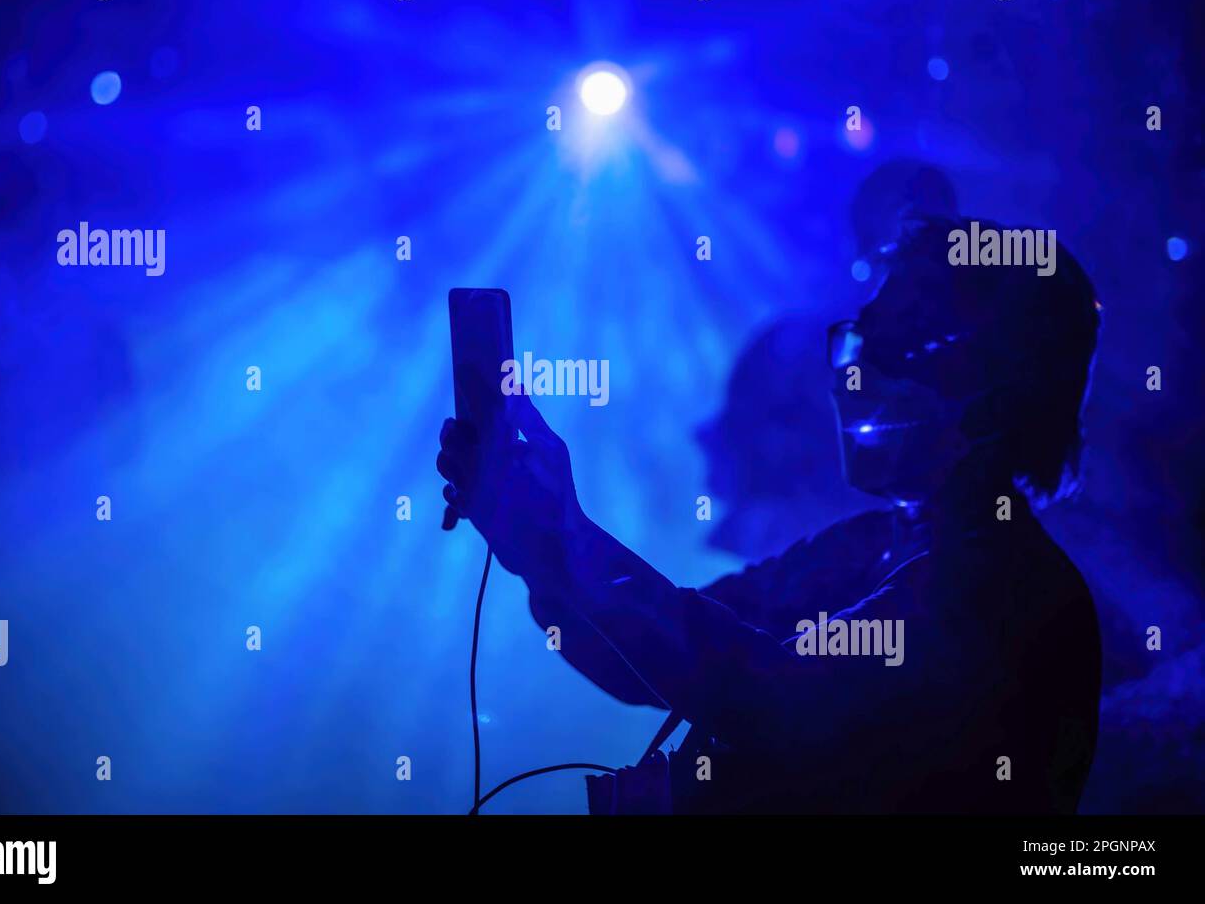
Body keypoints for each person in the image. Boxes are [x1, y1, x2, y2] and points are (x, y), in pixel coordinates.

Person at [437, 215, 1102, 813]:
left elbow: (770, 698)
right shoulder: (872, 545)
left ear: (993, 388)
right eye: (856, 339)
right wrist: (539, 546)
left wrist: (566, 537)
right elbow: (657, 651)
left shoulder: (1004, 590)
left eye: (896, 344)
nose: (853, 373)